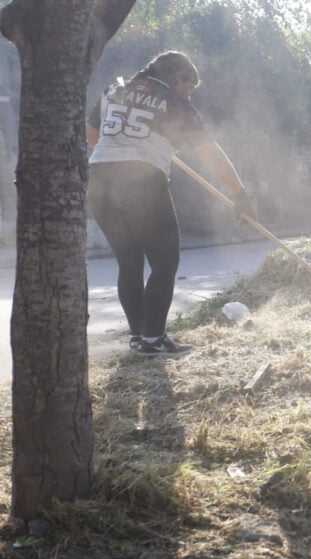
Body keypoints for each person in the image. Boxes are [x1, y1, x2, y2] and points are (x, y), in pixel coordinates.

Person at [87, 51, 254, 357]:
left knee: (130, 261)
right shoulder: (175, 103)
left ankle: (140, 337)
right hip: (141, 180)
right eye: (188, 86)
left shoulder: (115, 89)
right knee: (165, 263)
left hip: (99, 179)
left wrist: (128, 143)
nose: (187, 93)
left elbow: (91, 135)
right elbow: (209, 152)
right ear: (177, 77)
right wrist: (239, 194)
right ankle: (152, 340)